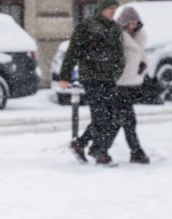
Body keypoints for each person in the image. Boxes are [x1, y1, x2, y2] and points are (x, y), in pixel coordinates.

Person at [57, 0, 125, 165]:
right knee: (101, 116)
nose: (113, 12)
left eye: (115, 9)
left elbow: (119, 54)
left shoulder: (115, 28)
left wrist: (117, 71)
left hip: (109, 78)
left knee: (114, 117)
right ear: (101, 9)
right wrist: (65, 76)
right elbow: (73, 51)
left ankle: (81, 144)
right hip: (92, 77)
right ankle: (99, 151)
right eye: (110, 9)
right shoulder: (87, 26)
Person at [113, 5, 150, 164]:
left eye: (135, 22)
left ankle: (91, 146)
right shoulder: (119, 37)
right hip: (120, 83)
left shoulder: (139, 37)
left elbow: (142, 55)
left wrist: (143, 64)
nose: (133, 25)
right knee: (128, 120)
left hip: (132, 83)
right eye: (130, 22)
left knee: (117, 121)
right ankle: (136, 151)